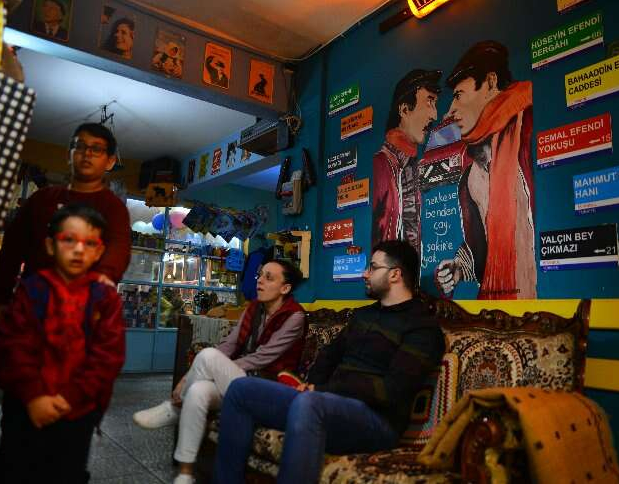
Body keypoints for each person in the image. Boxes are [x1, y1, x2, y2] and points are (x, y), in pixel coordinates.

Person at [213, 240, 445, 484]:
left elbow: (391, 390)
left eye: (373, 267)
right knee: (241, 390)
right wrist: (311, 385)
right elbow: (329, 355)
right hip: (328, 404)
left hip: (377, 421)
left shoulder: (422, 328)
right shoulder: (363, 315)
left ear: (395, 275)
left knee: (310, 403)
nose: (365, 273)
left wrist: (323, 390)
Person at [133, 259, 306, 484]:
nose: (260, 281)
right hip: (242, 381)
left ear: (285, 288)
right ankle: (185, 473)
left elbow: (262, 357)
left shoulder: (295, 316)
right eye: (260, 275)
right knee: (198, 391)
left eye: (269, 278)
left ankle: (174, 409)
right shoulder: (254, 308)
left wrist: (219, 366)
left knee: (208, 356)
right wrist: (189, 376)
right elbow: (229, 345)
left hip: (269, 389)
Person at [0, 204, 125, 484]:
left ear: (99, 252)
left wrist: (69, 398)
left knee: (66, 473)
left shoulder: (105, 298)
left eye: (90, 243)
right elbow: (13, 346)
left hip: (77, 410)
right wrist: (34, 396)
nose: (79, 250)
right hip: (26, 405)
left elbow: (107, 357)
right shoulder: (32, 289)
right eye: (69, 240)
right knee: (13, 470)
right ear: (51, 246)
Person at [0, 122, 131, 324]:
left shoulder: (114, 208)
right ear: (69, 154)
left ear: (110, 161)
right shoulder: (41, 199)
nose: (87, 153)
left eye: (96, 148)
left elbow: (117, 254)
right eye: (80, 146)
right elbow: (12, 249)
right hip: (31, 307)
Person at [434, 41, 536, 300]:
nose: (450, 111)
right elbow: (482, 250)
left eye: (459, 95)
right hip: (495, 311)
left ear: (491, 82)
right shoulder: (470, 177)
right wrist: (459, 268)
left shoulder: (532, 130)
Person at [372, 69, 441, 256]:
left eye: (435, 104)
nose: (434, 115)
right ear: (404, 110)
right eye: (429, 102)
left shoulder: (411, 165)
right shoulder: (383, 163)